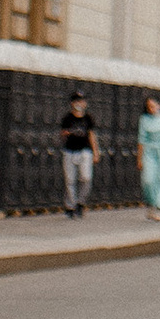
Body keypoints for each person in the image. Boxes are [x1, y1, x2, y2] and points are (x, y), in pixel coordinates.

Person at [58, 89, 95, 221]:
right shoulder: (67, 118)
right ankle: (71, 206)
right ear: (72, 103)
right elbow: (62, 134)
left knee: (86, 177)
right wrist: (67, 133)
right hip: (70, 150)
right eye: (77, 101)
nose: (79, 104)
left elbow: (91, 134)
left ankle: (81, 202)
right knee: (70, 180)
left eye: (82, 101)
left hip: (85, 150)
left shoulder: (88, 118)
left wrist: (95, 152)